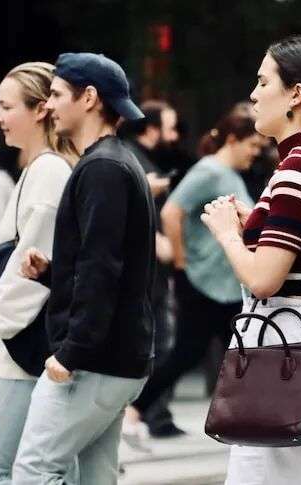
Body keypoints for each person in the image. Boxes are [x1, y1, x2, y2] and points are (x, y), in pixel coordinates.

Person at [200, 35, 301, 485]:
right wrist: (260, 222)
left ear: (296, 94)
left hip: (288, 355)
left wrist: (229, 234)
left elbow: (264, 280)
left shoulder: (300, 167)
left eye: (263, 80)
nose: (253, 94)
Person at [14, 52, 153, 485]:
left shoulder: (103, 168)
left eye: (56, 94)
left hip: (94, 359)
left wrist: (72, 351)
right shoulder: (115, 162)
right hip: (114, 357)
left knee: (34, 470)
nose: (49, 105)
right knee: (95, 476)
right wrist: (55, 272)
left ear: (88, 98)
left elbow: (103, 267)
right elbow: (108, 262)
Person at [0, 61, 77, 485]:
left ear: (40, 109)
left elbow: (28, 265)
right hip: (35, 345)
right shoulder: (47, 169)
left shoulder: (47, 172)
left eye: (7, 106)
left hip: (25, 348)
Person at [125, 108, 260, 441]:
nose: (255, 153)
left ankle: (248, 419)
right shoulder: (210, 171)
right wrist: (183, 263)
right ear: (233, 140)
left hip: (223, 285)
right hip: (204, 284)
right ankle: (133, 409)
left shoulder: (227, 173)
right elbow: (172, 212)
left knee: (235, 352)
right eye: (252, 146)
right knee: (197, 352)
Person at [120, 100, 179, 441]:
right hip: (144, 267)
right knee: (157, 340)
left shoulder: (144, 158)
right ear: (151, 127)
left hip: (151, 268)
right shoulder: (130, 158)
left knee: (164, 340)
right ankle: (144, 411)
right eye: (168, 126)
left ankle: (152, 413)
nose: (173, 135)